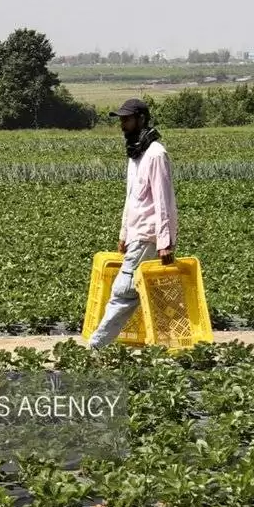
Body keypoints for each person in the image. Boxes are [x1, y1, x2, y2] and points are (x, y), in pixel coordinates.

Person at [89, 98, 178, 350]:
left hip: (148, 236)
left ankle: (97, 346)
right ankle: (167, 344)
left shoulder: (156, 154)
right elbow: (131, 197)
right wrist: (124, 232)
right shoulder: (136, 153)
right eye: (121, 120)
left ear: (141, 119)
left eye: (126, 120)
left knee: (123, 292)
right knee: (150, 293)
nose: (122, 125)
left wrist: (165, 242)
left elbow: (163, 201)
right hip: (137, 234)